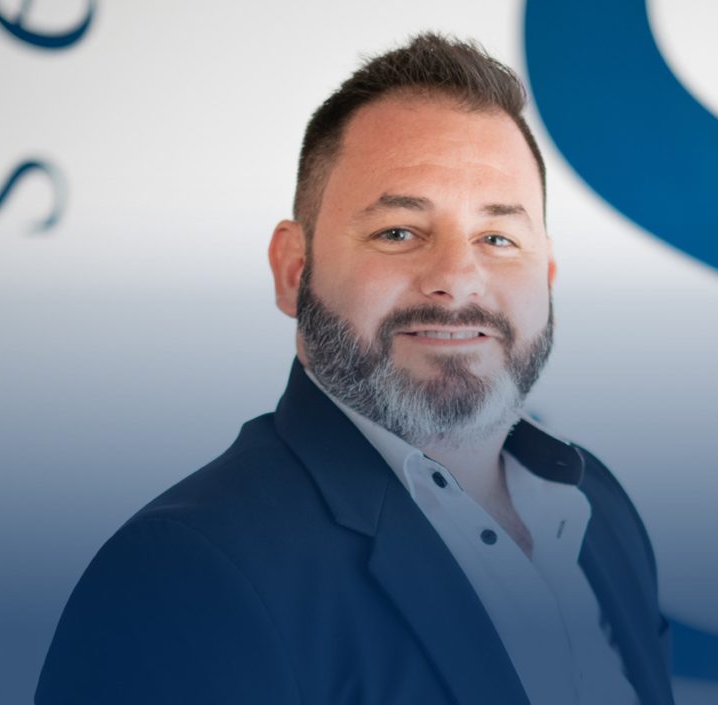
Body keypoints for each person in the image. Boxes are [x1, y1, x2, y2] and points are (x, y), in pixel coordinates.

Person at [35, 34, 675, 705]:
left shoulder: (597, 507)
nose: (457, 279)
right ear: (293, 269)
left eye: (497, 238)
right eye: (398, 232)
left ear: (546, 276)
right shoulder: (181, 579)